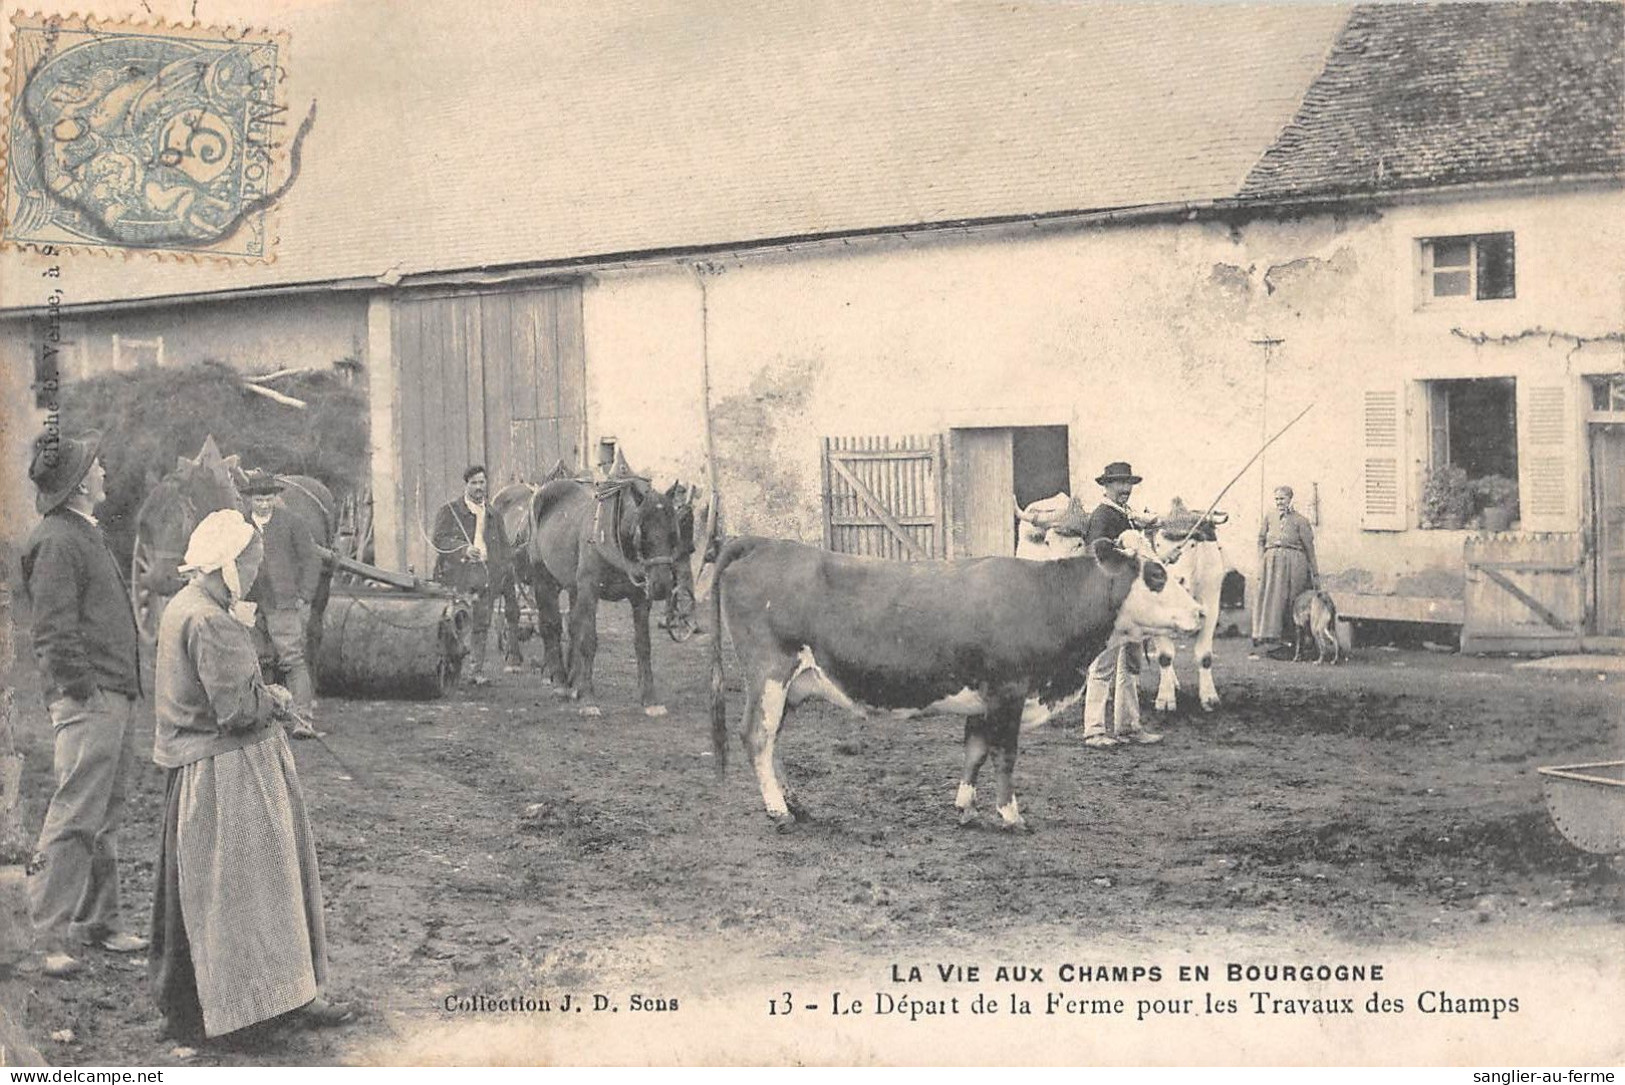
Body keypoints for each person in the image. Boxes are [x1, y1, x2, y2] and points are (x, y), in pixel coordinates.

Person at [149, 509, 350, 1043]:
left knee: (254, 892)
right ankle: (246, 1012)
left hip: (214, 766)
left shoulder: (188, 605)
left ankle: (280, 996)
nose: (257, 573)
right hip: (227, 775)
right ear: (225, 565)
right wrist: (276, 698)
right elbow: (236, 711)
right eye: (251, 563)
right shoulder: (210, 620)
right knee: (239, 894)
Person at [20, 429, 149, 979]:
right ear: (77, 486)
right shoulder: (56, 540)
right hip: (91, 700)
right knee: (74, 815)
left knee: (104, 816)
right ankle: (40, 935)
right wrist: (83, 691)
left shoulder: (82, 533)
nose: (103, 472)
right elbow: (52, 631)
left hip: (112, 695)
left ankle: (99, 921)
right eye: (94, 467)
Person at [1080, 462, 1162, 749]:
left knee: (1131, 662)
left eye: (1128, 484)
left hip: (1130, 602)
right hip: (1108, 601)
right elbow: (1096, 553)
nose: (1126, 489)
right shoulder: (1103, 515)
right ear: (1106, 486)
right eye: (1119, 483)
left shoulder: (1125, 516)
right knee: (1103, 665)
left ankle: (1128, 726)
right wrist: (1127, 552)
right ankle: (1093, 730)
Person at [242, 471, 322, 726]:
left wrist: (304, 595)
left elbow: (311, 559)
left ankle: (303, 719)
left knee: (292, 660)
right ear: (249, 501)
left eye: (268, 499)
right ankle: (266, 717)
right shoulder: (240, 526)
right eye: (258, 500)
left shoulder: (291, 523)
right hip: (251, 605)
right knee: (258, 660)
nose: (263, 504)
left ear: (275, 498)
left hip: (283, 603)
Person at [432, 465, 511, 686]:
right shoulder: (450, 511)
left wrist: (500, 571)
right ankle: (451, 670)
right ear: (466, 485)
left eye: (482, 482)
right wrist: (463, 549)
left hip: (484, 574)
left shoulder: (494, 515)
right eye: (474, 483)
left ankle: (475, 671)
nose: (478, 487)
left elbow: (504, 548)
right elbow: (438, 540)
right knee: (455, 623)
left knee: (481, 624)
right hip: (457, 575)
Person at [1253, 485, 1321, 659]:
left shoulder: (1301, 521)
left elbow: (1309, 549)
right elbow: (1260, 539)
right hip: (1272, 565)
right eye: (1276, 499)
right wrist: (1262, 560)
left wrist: (1315, 573)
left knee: (1290, 601)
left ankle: (1295, 644)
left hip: (1294, 564)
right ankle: (1280, 643)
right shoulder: (1269, 516)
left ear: (1290, 499)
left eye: (1282, 499)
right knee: (1273, 602)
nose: (1279, 502)